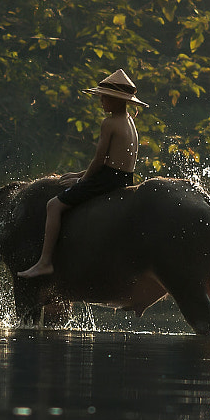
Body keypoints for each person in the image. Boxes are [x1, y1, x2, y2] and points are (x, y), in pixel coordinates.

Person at [16, 69, 146, 279]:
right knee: (69, 185)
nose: (101, 100)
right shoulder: (129, 121)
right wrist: (79, 173)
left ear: (115, 100)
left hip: (107, 179)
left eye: (104, 97)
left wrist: (82, 180)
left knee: (53, 205)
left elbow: (99, 159)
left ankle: (45, 261)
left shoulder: (109, 123)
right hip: (123, 177)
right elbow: (112, 160)